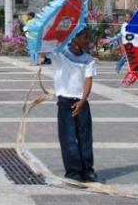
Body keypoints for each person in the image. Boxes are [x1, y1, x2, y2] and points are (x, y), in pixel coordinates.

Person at [52, 29, 97, 183]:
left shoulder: (88, 59)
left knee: (85, 137)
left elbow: (88, 81)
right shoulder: (59, 54)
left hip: (82, 101)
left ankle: (88, 170)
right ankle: (73, 171)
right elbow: (44, 48)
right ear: (75, 38)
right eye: (85, 37)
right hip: (65, 102)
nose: (88, 40)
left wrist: (82, 101)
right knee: (68, 137)